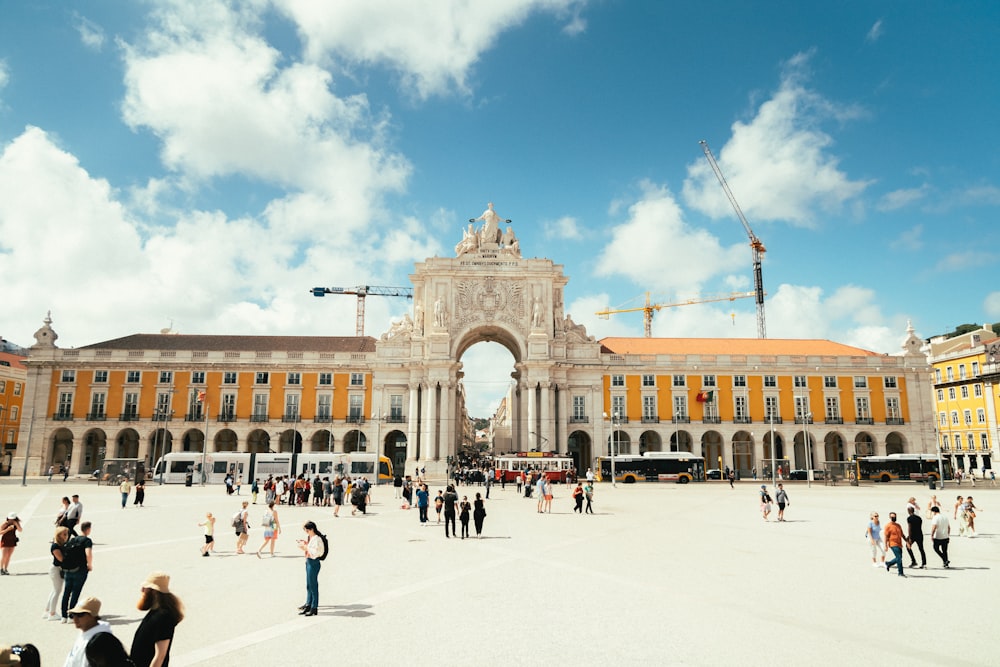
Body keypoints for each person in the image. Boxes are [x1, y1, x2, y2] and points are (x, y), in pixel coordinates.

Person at [130, 572, 184, 667]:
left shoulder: (164, 617)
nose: (142, 590)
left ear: (154, 591)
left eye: (146, 588)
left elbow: (160, 655)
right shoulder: (155, 611)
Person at [63, 597, 112, 667]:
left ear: (93, 616)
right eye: (73, 615)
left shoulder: (100, 641)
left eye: (80, 615)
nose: (75, 619)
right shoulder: (84, 632)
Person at [61, 521, 94, 622]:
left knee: (66, 592)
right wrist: (90, 565)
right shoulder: (87, 540)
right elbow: (88, 553)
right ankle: (71, 615)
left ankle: (63, 616)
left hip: (69, 569)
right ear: (88, 529)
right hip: (80, 569)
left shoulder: (73, 539)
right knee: (75, 592)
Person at [297, 521, 326, 617]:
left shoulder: (317, 539)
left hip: (313, 562)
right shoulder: (312, 537)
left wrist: (305, 547)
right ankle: (308, 604)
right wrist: (305, 545)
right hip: (309, 562)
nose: (306, 532)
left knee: (313, 586)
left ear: (311, 529)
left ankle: (314, 607)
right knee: (309, 585)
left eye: (307, 530)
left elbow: (317, 552)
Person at [44, 526, 69, 620]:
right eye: (64, 534)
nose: (66, 536)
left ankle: (47, 610)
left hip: (58, 569)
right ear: (59, 535)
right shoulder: (55, 546)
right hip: (56, 569)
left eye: (67, 534)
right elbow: (61, 559)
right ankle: (52, 613)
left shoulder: (62, 544)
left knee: (54, 590)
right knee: (57, 591)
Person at [883, 512, 906, 577]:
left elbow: (902, 534)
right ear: (890, 517)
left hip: (899, 544)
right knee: (899, 558)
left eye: (895, 516)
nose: (894, 518)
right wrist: (886, 546)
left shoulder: (898, 525)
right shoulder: (888, 526)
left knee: (899, 557)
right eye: (892, 517)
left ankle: (888, 563)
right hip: (893, 544)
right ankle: (900, 573)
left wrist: (907, 541)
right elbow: (886, 536)